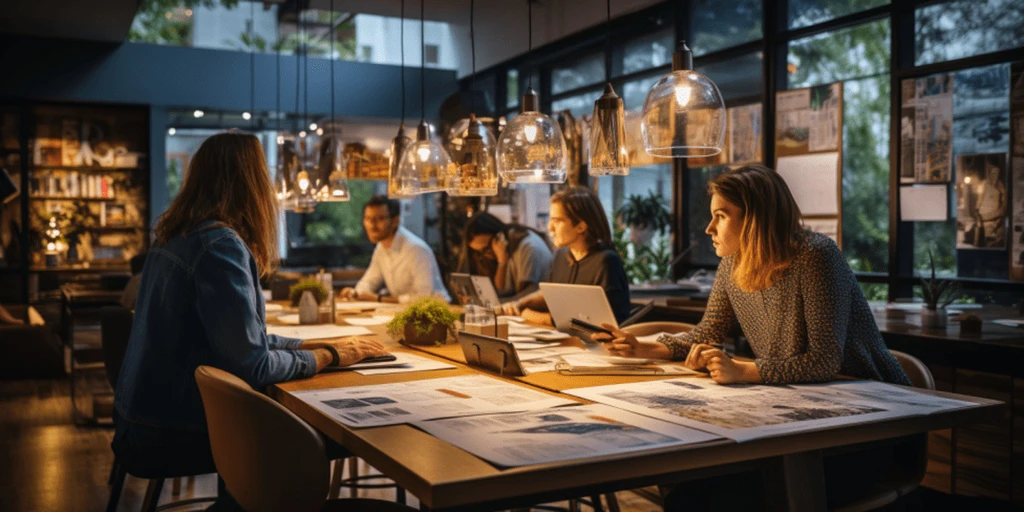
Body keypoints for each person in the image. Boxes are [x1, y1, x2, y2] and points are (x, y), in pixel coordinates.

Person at [113, 133, 385, 510]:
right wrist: (330, 357)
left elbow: (242, 344)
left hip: (142, 420)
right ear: (251, 182)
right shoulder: (219, 245)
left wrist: (312, 347)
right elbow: (253, 365)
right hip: (168, 431)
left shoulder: (175, 236)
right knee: (343, 432)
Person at [596, 165, 909, 386]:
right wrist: (640, 348)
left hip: (871, 402)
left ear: (755, 220)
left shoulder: (815, 256)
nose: (709, 228)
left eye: (720, 217)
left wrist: (742, 371)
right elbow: (707, 333)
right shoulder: (733, 263)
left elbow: (823, 362)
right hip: (805, 402)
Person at [502, 187, 630, 325]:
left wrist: (532, 315)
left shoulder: (606, 262)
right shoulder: (561, 256)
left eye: (557, 221)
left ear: (581, 226)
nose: (550, 227)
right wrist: (519, 304)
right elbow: (548, 294)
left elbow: (595, 321)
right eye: (551, 219)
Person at [340, 195, 451, 303]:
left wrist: (379, 299)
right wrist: (355, 293)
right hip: (406, 313)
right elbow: (370, 281)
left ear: (395, 221)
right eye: (368, 218)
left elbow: (424, 297)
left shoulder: (416, 249)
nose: (372, 225)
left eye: (380, 218)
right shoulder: (381, 247)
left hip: (438, 314)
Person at [457, 211, 553, 298]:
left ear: (500, 237)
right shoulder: (506, 251)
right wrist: (502, 261)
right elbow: (500, 291)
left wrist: (502, 261)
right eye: (478, 252)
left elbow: (524, 296)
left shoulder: (528, 247)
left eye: (485, 249)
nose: (483, 256)